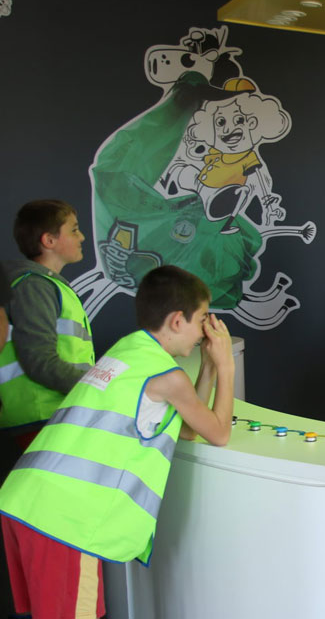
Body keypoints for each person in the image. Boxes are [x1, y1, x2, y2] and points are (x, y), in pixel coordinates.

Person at [0, 265, 235, 619]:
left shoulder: (128, 352)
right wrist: (227, 365)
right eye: (202, 318)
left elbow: (187, 427)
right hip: (63, 519)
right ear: (176, 321)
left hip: (29, 503)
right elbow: (218, 432)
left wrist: (209, 368)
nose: (205, 330)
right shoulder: (168, 376)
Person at [0, 200, 94, 451]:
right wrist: (96, 388)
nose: (82, 236)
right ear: (48, 241)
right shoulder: (34, 286)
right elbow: (39, 360)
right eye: (74, 229)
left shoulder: (49, 285)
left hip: (54, 417)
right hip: (40, 420)